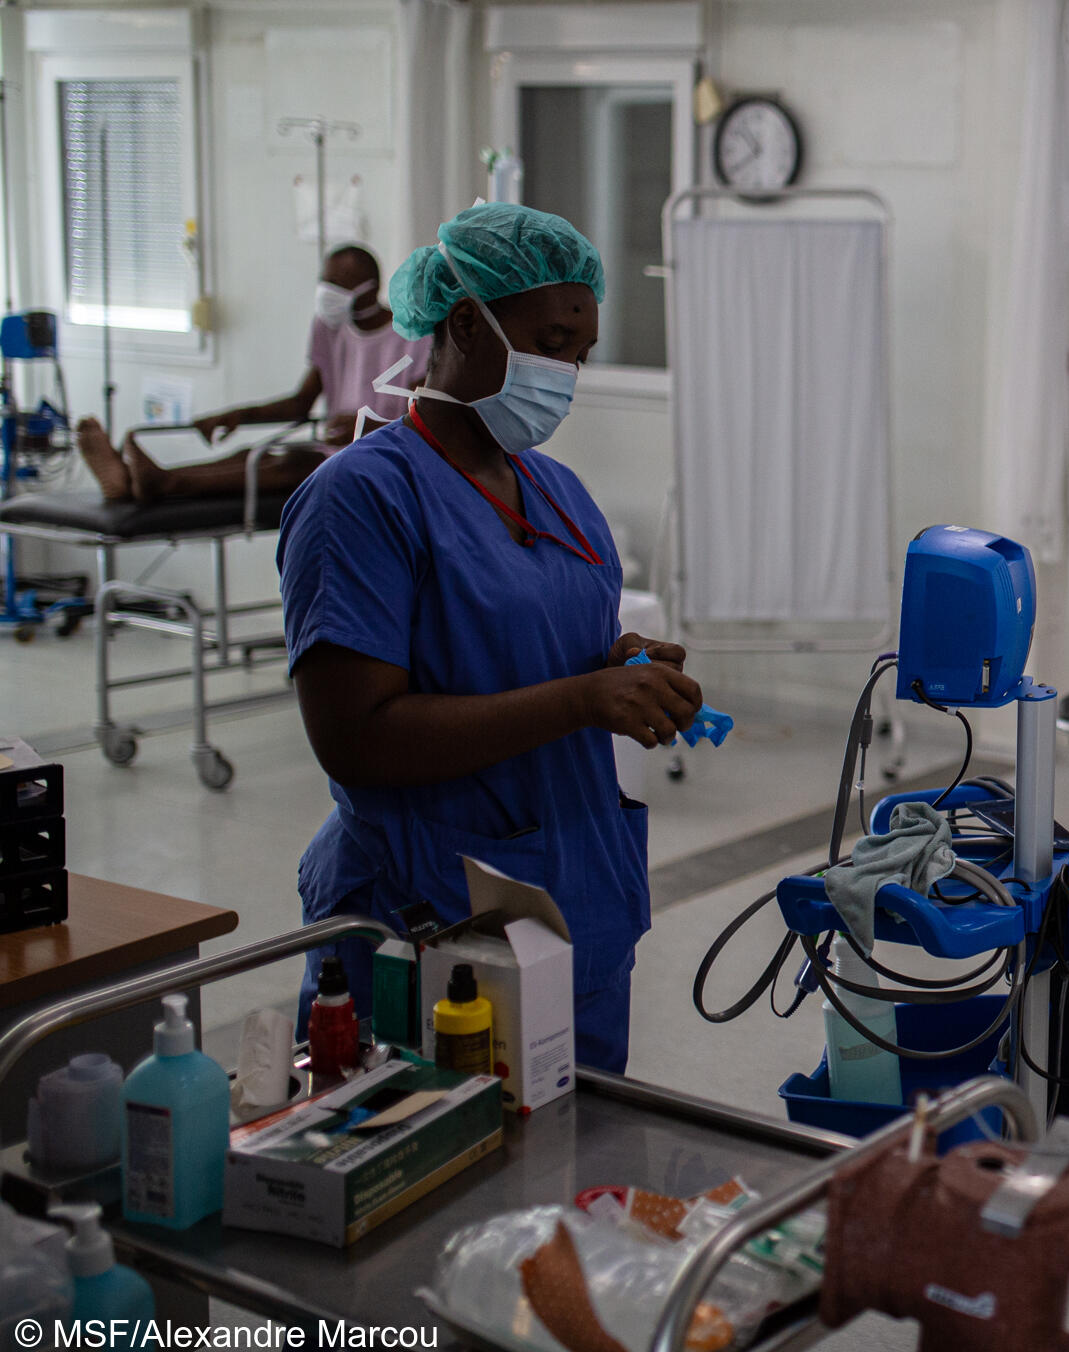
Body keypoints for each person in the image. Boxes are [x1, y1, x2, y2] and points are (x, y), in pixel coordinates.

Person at [276, 203, 704, 1072]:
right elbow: (356, 737)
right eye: (549, 344)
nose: (565, 374)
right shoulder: (361, 498)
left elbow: (532, 637)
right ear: (466, 321)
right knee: (430, 1180)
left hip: (574, 893)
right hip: (426, 909)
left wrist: (619, 664)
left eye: (577, 355)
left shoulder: (558, 493)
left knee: (566, 1185)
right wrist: (582, 698)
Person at [75, 244, 430, 507]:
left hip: (380, 457)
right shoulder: (330, 327)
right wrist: (237, 416)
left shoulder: (415, 337)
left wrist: (371, 426)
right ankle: (136, 482)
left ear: (368, 287)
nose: (327, 295)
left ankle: (166, 483)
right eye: (325, 282)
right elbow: (301, 402)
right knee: (251, 455)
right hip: (331, 449)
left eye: (336, 285)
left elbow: (423, 419)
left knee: (293, 463)